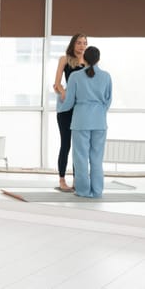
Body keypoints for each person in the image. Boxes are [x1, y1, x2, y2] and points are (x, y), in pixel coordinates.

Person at [57, 46, 112, 198]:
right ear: (98, 59)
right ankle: (97, 191)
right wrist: (99, 112)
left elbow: (69, 102)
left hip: (80, 120)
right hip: (99, 122)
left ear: (84, 59)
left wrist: (60, 108)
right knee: (96, 158)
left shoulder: (75, 76)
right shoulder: (106, 76)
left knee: (80, 157)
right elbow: (108, 101)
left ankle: (83, 190)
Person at [53, 33, 87, 191]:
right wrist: (63, 92)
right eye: (79, 43)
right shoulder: (65, 59)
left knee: (79, 146)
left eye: (84, 43)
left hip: (81, 108)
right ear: (73, 44)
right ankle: (61, 180)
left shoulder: (87, 63)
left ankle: (76, 179)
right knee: (66, 143)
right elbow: (57, 84)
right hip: (66, 108)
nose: (82, 46)